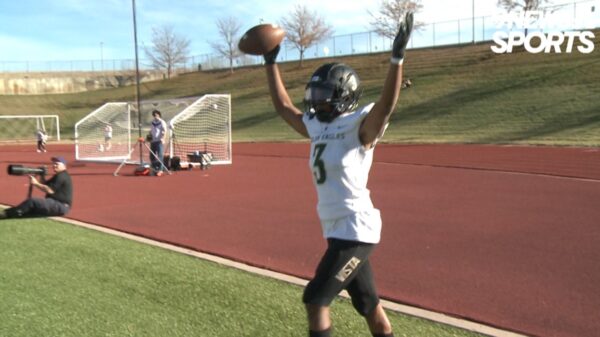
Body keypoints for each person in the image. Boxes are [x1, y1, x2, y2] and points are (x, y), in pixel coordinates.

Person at [262, 12, 413, 337]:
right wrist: (270, 63)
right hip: (336, 229)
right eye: (314, 95)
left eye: (324, 95)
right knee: (370, 306)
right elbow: (285, 107)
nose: (316, 102)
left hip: (355, 230)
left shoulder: (359, 127)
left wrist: (396, 60)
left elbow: (385, 107)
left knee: (316, 299)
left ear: (344, 95)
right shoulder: (318, 126)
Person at [1, 157, 73, 219]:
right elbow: (45, 185)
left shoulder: (61, 176)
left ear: (64, 165)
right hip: (57, 205)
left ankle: (6, 214)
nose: (54, 165)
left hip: (61, 206)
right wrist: (42, 176)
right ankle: (9, 213)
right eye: (53, 163)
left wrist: (36, 183)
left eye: (57, 164)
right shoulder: (59, 175)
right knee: (32, 208)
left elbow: (50, 190)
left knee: (32, 201)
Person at [149, 109, 168, 174]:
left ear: (159, 115)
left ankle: (160, 169)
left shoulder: (162, 122)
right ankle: (154, 168)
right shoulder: (152, 122)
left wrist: (163, 138)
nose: (155, 116)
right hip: (153, 141)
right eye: (154, 115)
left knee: (160, 155)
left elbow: (165, 131)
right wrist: (149, 137)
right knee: (152, 156)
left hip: (159, 141)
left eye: (156, 115)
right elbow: (151, 131)